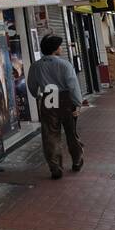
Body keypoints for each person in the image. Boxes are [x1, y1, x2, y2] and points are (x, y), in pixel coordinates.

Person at [26, 34, 85, 179]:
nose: (61, 48)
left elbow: (32, 86)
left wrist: (38, 95)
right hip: (65, 100)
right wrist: (78, 103)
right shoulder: (65, 64)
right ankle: (77, 160)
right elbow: (73, 85)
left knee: (50, 134)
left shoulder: (36, 66)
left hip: (48, 100)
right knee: (71, 132)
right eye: (59, 46)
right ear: (55, 49)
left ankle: (55, 167)